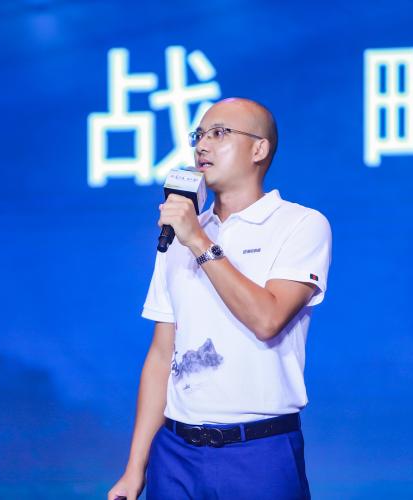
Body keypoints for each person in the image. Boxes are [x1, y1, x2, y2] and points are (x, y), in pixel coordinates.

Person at [108, 97, 331, 500]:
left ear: (259, 149)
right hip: (174, 452)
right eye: (198, 135)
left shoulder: (300, 224)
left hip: (257, 451)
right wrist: (135, 468)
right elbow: (161, 354)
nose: (202, 146)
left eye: (219, 133)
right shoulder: (180, 234)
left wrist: (198, 241)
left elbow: (268, 319)